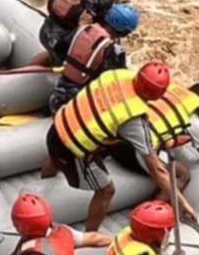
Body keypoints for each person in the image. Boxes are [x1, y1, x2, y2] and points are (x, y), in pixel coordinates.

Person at [40, 61, 172, 233]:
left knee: (54, 156)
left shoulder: (117, 75)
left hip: (58, 127)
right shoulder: (133, 119)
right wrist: (182, 202)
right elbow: (157, 169)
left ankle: (43, 181)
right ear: (157, 95)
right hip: (73, 149)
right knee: (106, 191)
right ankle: (90, 234)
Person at [117, 78, 199, 221]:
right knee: (182, 175)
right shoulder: (193, 118)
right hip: (136, 150)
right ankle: (149, 217)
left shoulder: (170, 92)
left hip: (121, 135)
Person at [47, 0, 137, 115]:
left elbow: (59, 48)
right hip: (75, 104)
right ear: (124, 31)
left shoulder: (83, 29)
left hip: (57, 93)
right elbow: (114, 79)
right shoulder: (113, 50)